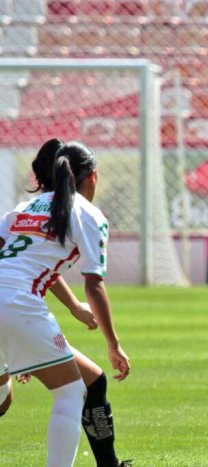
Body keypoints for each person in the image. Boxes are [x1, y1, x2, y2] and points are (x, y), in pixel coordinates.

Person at [0, 141, 130, 466]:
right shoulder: (87, 214)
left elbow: (15, 258)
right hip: (16, 305)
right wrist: (113, 344)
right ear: (93, 177)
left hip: (13, 307)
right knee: (71, 392)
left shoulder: (25, 208)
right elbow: (94, 284)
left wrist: (71, 308)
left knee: (5, 401)